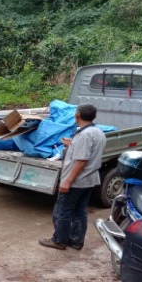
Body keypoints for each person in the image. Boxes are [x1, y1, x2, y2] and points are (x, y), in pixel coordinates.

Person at [39, 104, 107, 250]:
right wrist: (72, 144)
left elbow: (82, 160)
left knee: (62, 211)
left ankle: (59, 240)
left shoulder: (84, 135)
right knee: (80, 211)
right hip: (89, 180)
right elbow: (89, 150)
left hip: (77, 181)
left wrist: (67, 181)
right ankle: (76, 240)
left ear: (77, 116)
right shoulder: (98, 132)